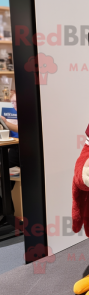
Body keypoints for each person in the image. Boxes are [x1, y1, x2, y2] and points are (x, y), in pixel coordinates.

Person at [0, 90, 19, 227]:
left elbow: (23, 129)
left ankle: (9, 214)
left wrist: (5, 122)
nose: (14, 105)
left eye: (16, 102)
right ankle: (7, 213)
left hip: (27, 151)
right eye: (12, 102)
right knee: (4, 177)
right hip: (14, 149)